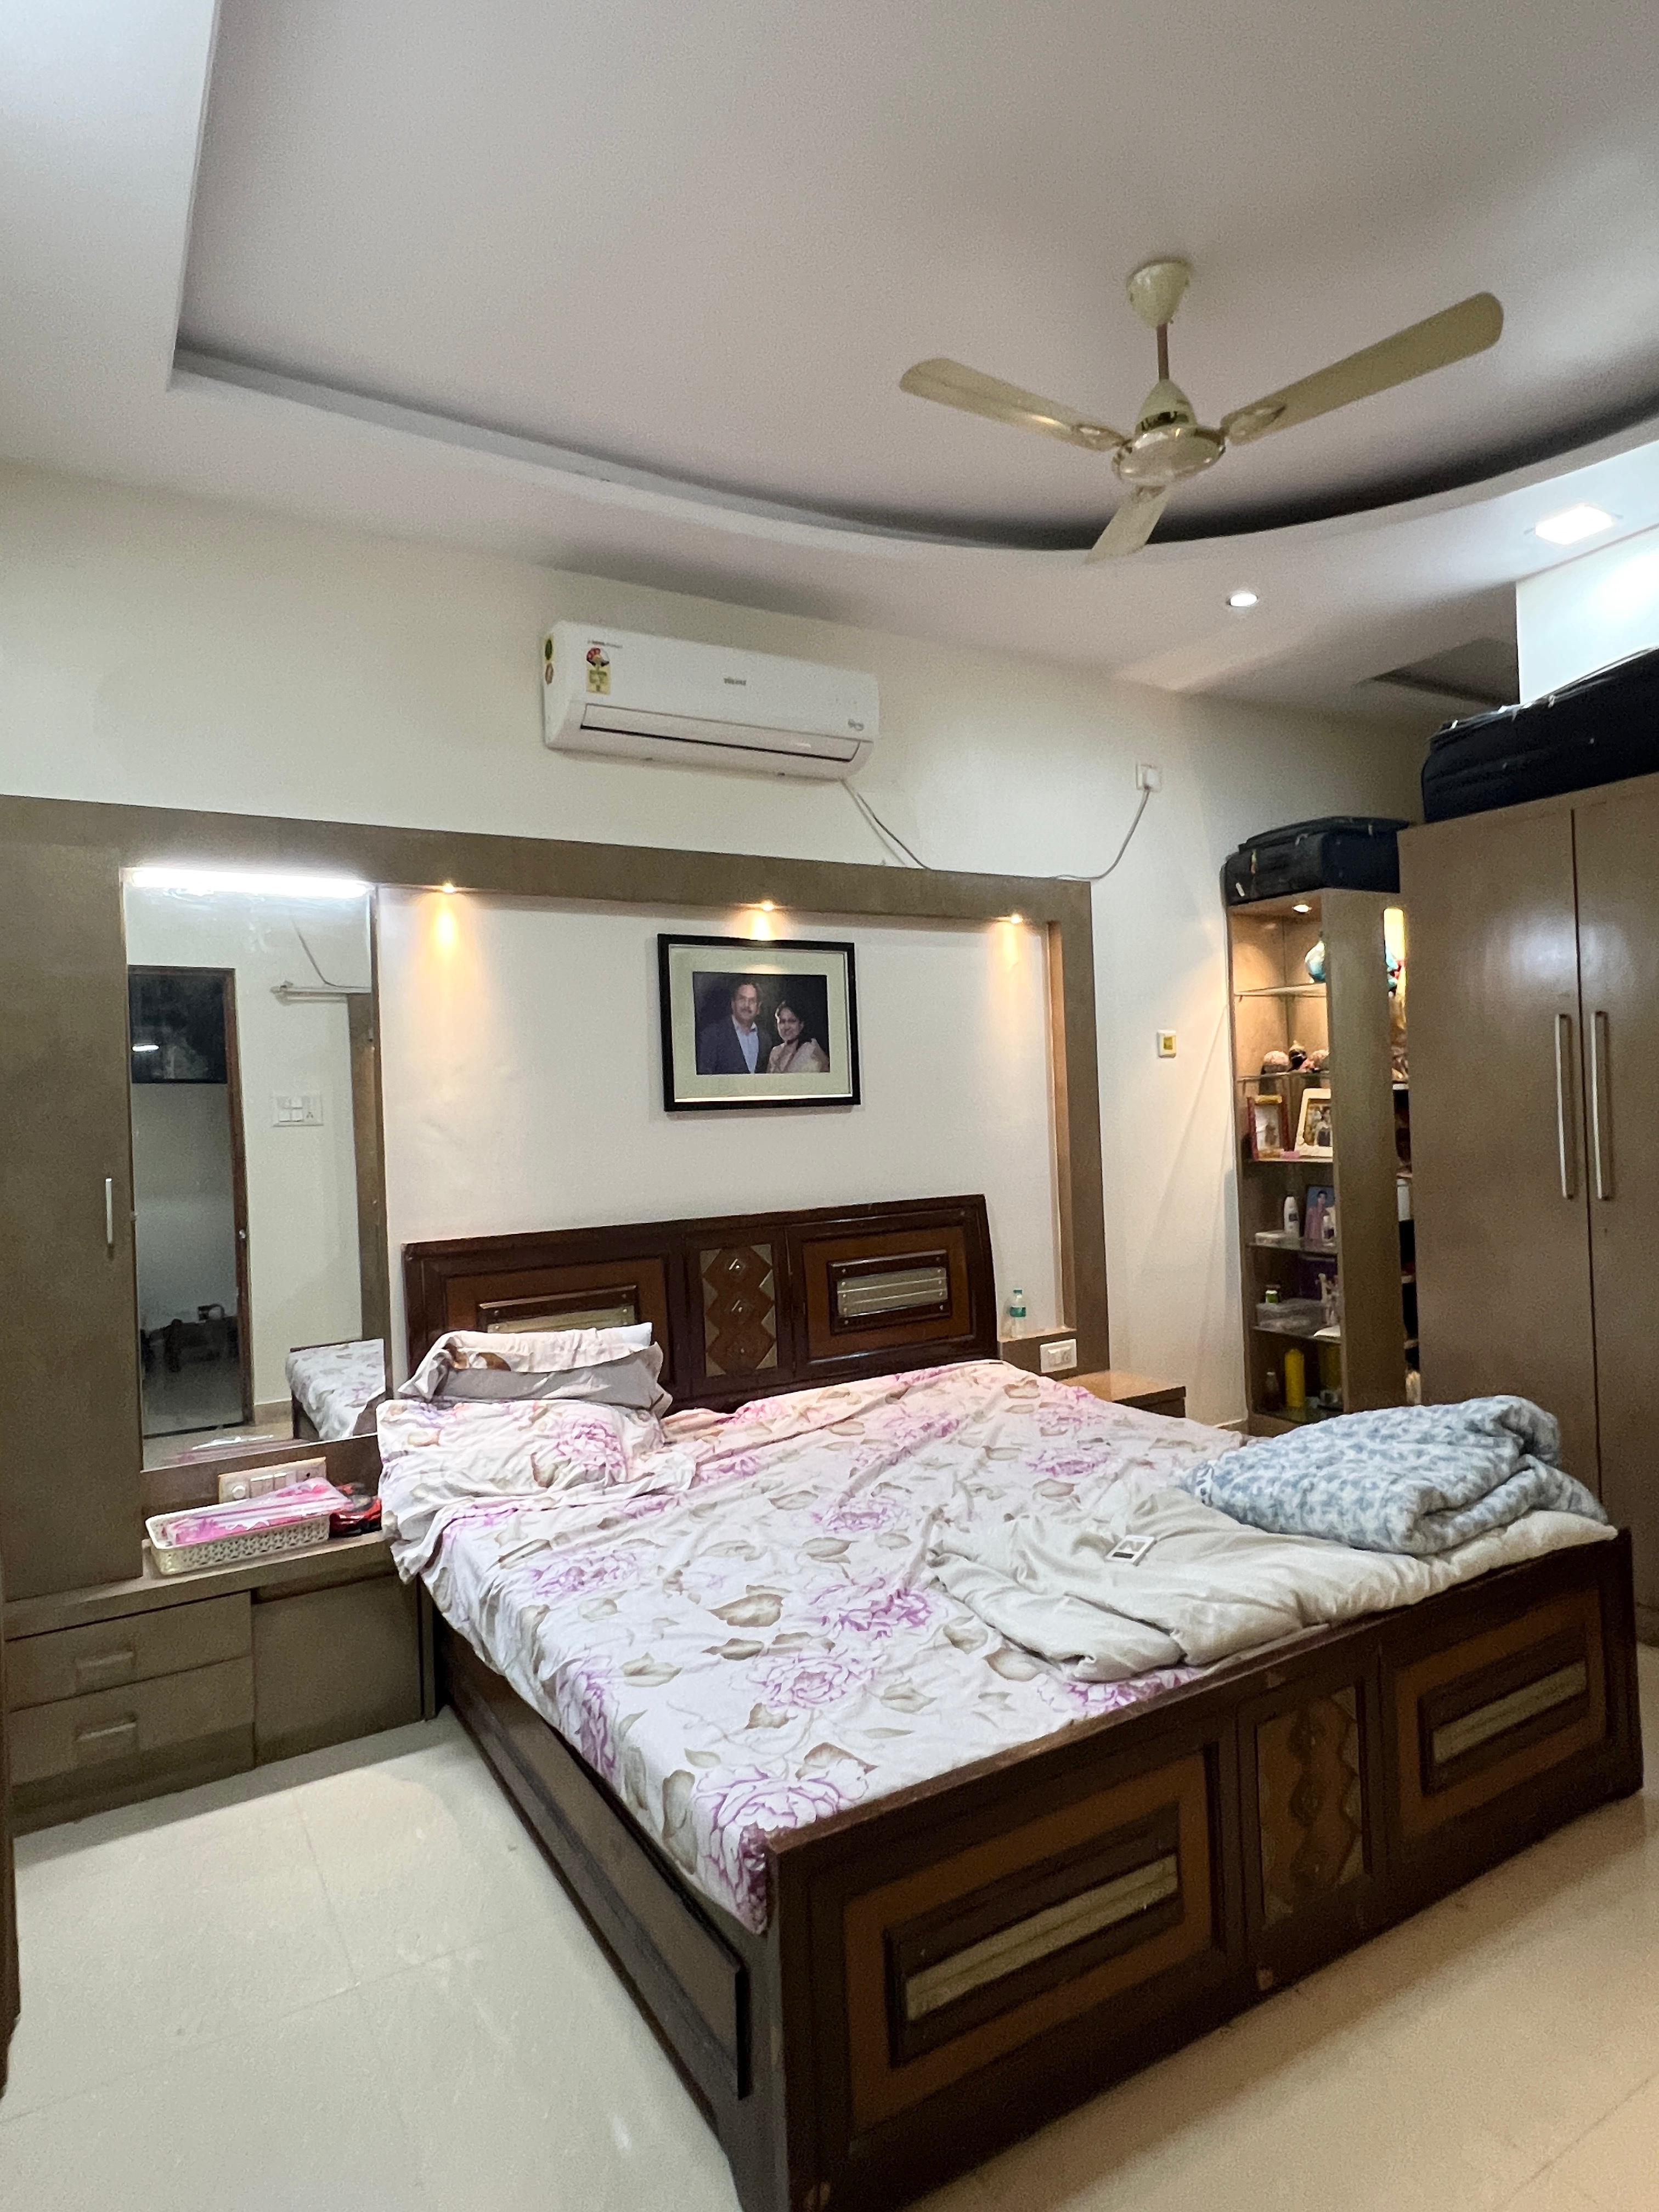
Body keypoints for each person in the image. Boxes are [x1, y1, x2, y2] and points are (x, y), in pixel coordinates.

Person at [696, 978, 766, 1074]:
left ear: (758, 1008)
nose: (747, 1005)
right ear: (733, 1004)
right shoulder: (712, 1035)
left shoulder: (765, 1039)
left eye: (752, 1001)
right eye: (742, 999)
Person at [766, 996, 829, 1075]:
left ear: (801, 1025)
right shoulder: (775, 1052)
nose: (787, 1027)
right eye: (782, 1021)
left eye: (792, 1021)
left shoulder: (812, 1049)